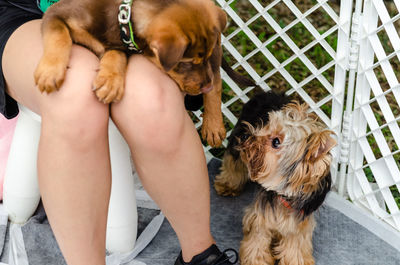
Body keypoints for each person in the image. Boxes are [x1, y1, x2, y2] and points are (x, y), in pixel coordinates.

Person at [0, 1, 237, 265]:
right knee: (75, 93)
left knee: (151, 99)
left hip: (127, 23)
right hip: (28, 13)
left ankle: (201, 255)